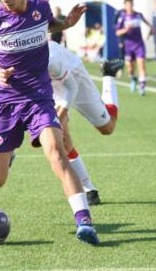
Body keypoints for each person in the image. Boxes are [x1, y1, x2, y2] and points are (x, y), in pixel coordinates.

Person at [0, 0, 99, 244]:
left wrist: (67, 23)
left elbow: (50, 23)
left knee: (56, 154)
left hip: (38, 98)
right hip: (4, 101)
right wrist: (0, 74)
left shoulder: (40, 9)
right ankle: (7, 156)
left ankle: (84, 222)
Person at [47, 40, 122, 205]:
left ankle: (108, 74)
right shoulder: (11, 58)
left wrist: (59, 117)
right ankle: (89, 189)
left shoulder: (49, 57)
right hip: (49, 85)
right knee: (62, 137)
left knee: (107, 128)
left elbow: (70, 87)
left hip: (73, 77)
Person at [116, 0, 152, 95]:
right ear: (125, 6)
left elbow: (150, 25)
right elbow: (117, 32)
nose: (130, 6)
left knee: (142, 65)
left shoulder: (138, 15)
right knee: (130, 69)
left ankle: (142, 87)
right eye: (128, 5)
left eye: (131, 4)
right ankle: (133, 78)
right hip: (128, 46)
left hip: (139, 45)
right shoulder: (122, 17)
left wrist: (150, 32)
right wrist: (125, 30)